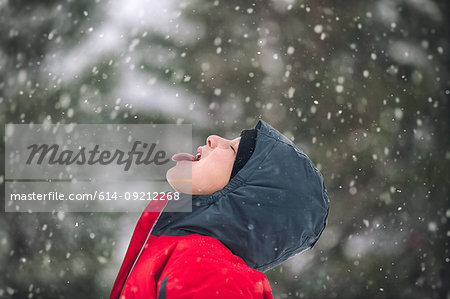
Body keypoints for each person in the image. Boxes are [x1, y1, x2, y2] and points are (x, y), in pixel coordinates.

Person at [110, 119, 330, 299]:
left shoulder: (210, 274)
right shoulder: (187, 255)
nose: (213, 139)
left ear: (248, 196)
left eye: (233, 149)